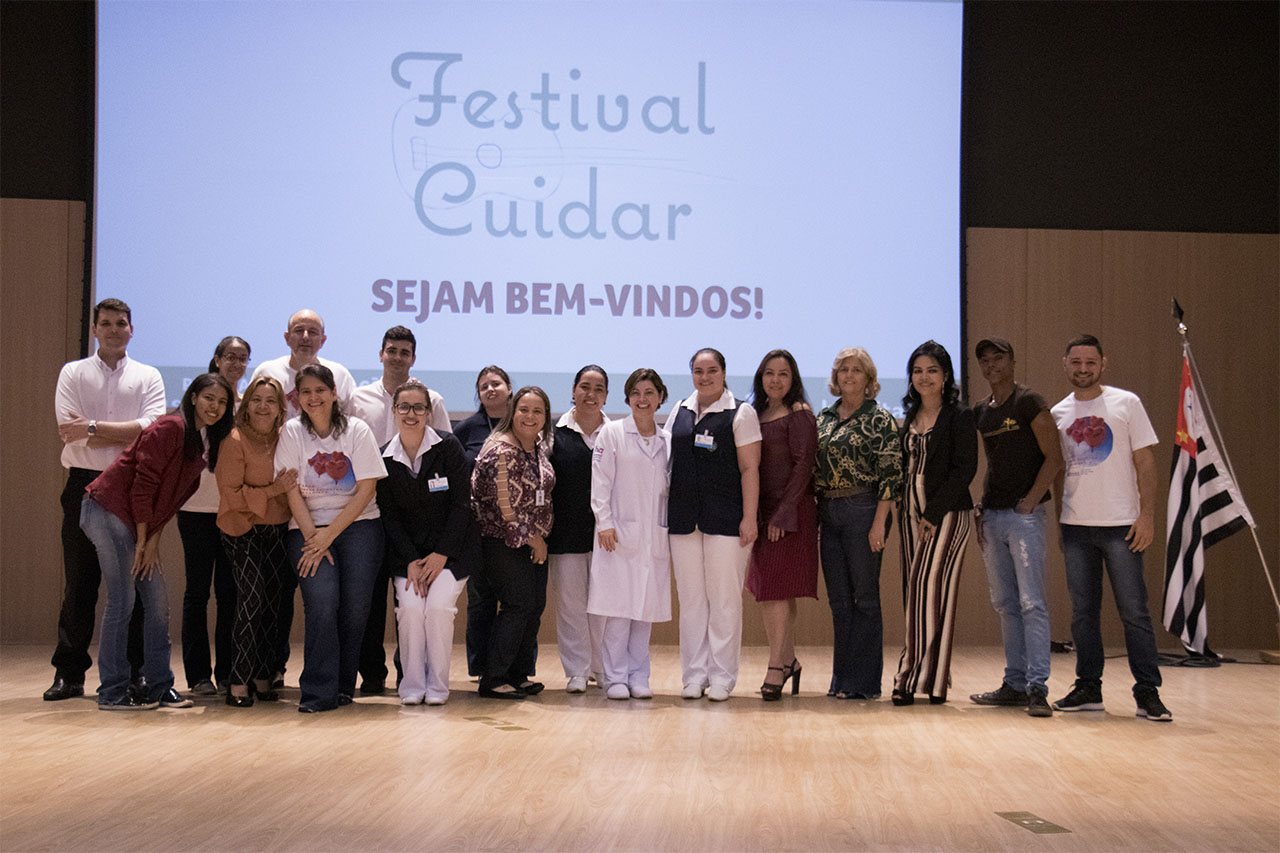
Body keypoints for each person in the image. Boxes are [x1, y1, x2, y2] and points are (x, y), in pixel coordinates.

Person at [80, 373, 235, 709]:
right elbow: (143, 486)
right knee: (122, 601)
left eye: (222, 402)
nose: (215, 406)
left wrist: (152, 541)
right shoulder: (170, 427)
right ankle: (112, 692)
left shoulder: (199, 443)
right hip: (107, 510)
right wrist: (141, 541)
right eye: (209, 398)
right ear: (193, 397)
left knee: (158, 604)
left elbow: (167, 502)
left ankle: (159, 687)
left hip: (136, 524)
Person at [47, 297, 166, 702]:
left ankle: (134, 674)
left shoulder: (148, 375)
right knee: (80, 583)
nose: (114, 330)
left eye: (121, 323)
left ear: (131, 330)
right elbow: (69, 430)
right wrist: (123, 432)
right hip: (83, 483)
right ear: (94, 329)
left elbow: (151, 431)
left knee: (131, 583)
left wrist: (93, 428)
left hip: (130, 486)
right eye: (107, 323)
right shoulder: (73, 372)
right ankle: (69, 674)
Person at [1050, 334, 1171, 722]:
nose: (1083, 369)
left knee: (1134, 612)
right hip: (1075, 527)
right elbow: (1059, 472)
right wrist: (1060, 522)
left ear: (1104, 363)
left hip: (1122, 526)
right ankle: (1088, 688)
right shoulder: (1058, 413)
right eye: (1076, 362)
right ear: (1065, 365)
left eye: (1090, 362)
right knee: (1083, 613)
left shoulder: (1126, 403)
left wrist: (1147, 516)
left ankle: (1147, 692)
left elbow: (1145, 463)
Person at [275, 364, 387, 713]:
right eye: (306, 392)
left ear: (334, 393)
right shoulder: (291, 431)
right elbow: (290, 489)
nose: (314, 397)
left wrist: (330, 535)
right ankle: (318, 692)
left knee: (355, 609)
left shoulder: (357, 429)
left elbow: (367, 488)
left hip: (359, 525)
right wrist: (314, 537)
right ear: (297, 398)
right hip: (307, 527)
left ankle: (342, 685)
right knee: (322, 602)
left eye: (320, 390)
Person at [350, 326, 451, 695]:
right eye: (391, 350)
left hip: (412, 513)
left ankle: (407, 672)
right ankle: (372, 673)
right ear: (381, 354)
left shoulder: (432, 400)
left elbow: (442, 450)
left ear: (413, 358)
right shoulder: (357, 398)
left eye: (404, 352)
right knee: (371, 595)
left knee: (408, 597)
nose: (397, 357)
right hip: (364, 507)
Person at [969, 338, 1063, 718]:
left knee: (1031, 603)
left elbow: (1054, 457)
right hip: (992, 518)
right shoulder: (982, 411)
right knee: (1005, 604)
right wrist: (981, 508)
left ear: (1012, 361)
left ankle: (1037, 688)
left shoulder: (1029, 402)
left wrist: (1031, 501)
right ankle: (1014, 683)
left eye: (999, 358)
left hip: (1024, 518)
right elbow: (993, 464)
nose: (992, 365)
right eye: (985, 360)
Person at [667, 348, 762, 702]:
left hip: (727, 520)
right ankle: (694, 676)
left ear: (723, 372)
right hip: (683, 520)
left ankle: (722, 676)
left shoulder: (741, 412)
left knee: (724, 601)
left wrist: (749, 517)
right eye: (698, 371)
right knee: (691, 601)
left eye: (711, 370)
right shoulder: (679, 409)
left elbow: (750, 469)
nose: (704, 377)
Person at [375, 381, 475, 705]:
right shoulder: (384, 458)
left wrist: (441, 554)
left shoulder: (448, 447)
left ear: (429, 412)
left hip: (452, 553)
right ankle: (412, 685)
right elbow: (389, 516)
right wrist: (411, 560)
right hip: (408, 558)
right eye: (404, 406)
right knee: (410, 609)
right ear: (394, 411)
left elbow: (462, 505)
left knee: (438, 608)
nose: (411, 413)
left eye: (419, 407)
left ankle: (438, 687)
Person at [814, 347, 903, 701]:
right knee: (839, 601)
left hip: (865, 510)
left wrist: (879, 523)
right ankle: (841, 678)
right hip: (829, 511)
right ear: (835, 377)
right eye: (843, 370)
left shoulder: (880, 419)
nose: (849, 375)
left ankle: (864, 683)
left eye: (856, 370)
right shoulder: (824, 417)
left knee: (864, 598)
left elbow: (891, 474)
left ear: (869, 379)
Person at [892, 340, 977, 706]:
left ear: (945, 376)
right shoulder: (909, 416)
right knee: (918, 595)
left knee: (925, 591)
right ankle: (936, 680)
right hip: (909, 513)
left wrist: (932, 514)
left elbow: (965, 470)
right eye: (917, 371)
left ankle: (907, 678)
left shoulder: (960, 416)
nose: (924, 377)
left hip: (947, 514)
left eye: (931, 371)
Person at [589, 369, 672, 700]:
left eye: (649, 392)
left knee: (644, 612)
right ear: (627, 398)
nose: (642, 399)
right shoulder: (612, 433)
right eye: (636, 393)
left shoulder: (667, 441)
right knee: (619, 610)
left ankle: (639, 675)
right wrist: (604, 522)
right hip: (618, 534)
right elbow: (600, 481)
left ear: (660, 397)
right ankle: (615, 677)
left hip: (653, 536)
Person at [470, 386, 556, 699]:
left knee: (533, 607)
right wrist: (534, 540)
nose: (530, 416)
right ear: (512, 412)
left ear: (545, 417)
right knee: (517, 605)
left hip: (534, 542)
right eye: (524, 410)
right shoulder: (501, 450)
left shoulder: (537, 446)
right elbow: (505, 510)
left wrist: (539, 539)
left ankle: (517, 675)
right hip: (502, 541)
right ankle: (494, 678)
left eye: (537, 411)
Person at [216, 375, 297, 707]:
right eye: (257, 400)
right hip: (241, 529)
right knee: (251, 601)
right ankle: (238, 680)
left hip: (277, 528)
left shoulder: (285, 438)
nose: (263, 407)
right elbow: (232, 495)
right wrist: (274, 490)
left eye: (271, 401)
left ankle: (263, 675)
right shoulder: (234, 440)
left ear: (280, 408)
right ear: (246, 405)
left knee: (272, 605)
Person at [177, 335, 250, 696]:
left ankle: (228, 672)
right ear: (217, 359)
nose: (236, 363)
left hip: (230, 512)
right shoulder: (189, 415)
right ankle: (197, 676)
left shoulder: (243, 408)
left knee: (230, 593)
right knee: (196, 593)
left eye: (242, 358)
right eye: (230, 356)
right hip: (193, 513)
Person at [746, 350, 818, 701]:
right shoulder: (754, 414)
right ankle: (788, 660)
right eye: (769, 373)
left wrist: (783, 513)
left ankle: (776, 665)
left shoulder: (799, 414)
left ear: (794, 379)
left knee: (776, 589)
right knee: (770, 590)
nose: (775, 380)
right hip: (762, 513)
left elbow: (804, 465)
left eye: (783, 374)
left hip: (790, 513)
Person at [547, 365, 609, 693]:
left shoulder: (615, 433)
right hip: (565, 533)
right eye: (585, 387)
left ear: (606, 397)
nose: (591, 394)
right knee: (571, 606)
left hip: (606, 536)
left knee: (602, 606)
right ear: (573, 391)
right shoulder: (552, 434)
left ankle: (601, 667)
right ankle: (577, 671)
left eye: (598, 389)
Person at [453, 365, 512, 680]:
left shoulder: (523, 422)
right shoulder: (466, 429)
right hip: (476, 528)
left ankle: (515, 668)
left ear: (509, 388)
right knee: (480, 600)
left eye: (496, 383)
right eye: (484, 386)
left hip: (517, 530)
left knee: (517, 602)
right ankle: (479, 667)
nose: (490, 389)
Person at [250, 309, 356, 420]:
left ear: (322, 340)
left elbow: (350, 421)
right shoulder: (266, 372)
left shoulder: (339, 374)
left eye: (312, 332)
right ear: (287, 338)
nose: (305, 337)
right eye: (299, 331)